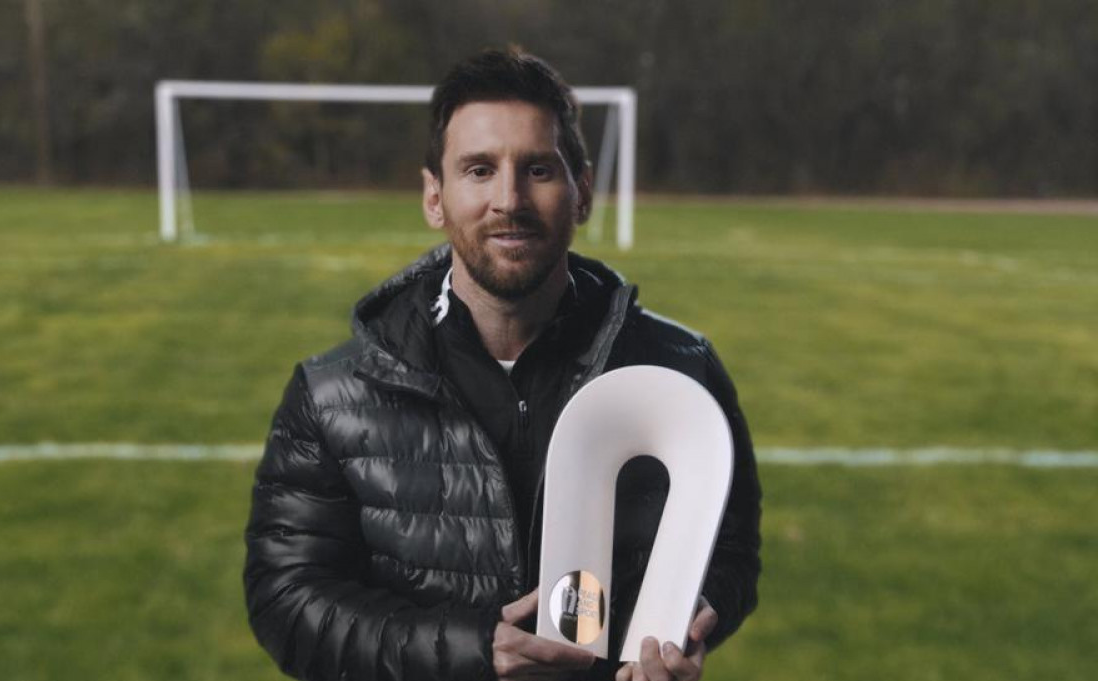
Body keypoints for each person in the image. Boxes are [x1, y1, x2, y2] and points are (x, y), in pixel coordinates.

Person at [245, 49, 761, 681]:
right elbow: (286, 599)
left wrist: (689, 619)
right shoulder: (332, 396)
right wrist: (470, 651)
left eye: (538, 169)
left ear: (582, 192)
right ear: (435, 196)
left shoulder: (680, 370)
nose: (509, 199)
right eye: (479, 170)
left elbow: (729, 550)